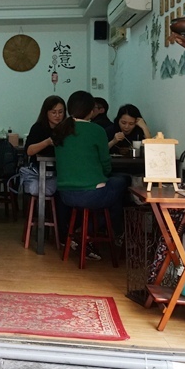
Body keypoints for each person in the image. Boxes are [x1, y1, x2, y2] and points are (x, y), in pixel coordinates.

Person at [52, 91, 127, 258]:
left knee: (113, 193)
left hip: (65, 194)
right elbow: (106, 164)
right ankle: (97, 233)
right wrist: (103, 175)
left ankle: (83, 234)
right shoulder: (96, 130)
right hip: (92, 195)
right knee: (122, 183)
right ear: (90, 110)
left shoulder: (60, 130)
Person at [21, 95, 68, 239]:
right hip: (39, 173)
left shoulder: (67, 129)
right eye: (53, 112)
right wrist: (47, 142)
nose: (57, 115)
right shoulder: (38, 128)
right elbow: (29, 151)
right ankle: (54, 232)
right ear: (46, 112)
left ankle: (64, 233)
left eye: (61, 112)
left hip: (61, 173)